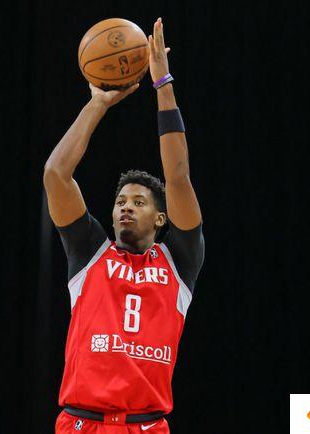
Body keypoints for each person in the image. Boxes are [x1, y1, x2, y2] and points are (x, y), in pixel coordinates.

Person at [44, 18, 204, 434]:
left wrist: (162, 84)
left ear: (161, 218)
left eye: (138, 202)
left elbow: (178, 178)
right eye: (119, 202)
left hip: (145, 425)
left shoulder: (179, 262)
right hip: (82, 423)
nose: (125, 209)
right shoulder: (89, 253)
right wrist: (97, 104)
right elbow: (56, 175)